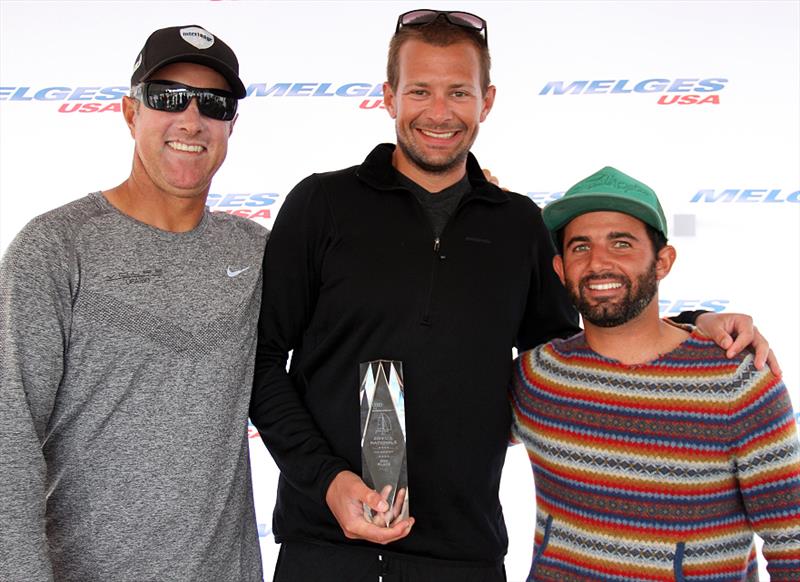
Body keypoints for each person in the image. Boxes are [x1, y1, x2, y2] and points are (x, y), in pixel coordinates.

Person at [250, 10, 776, 582]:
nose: (439, 112)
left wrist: (694, 322)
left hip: (465, 556)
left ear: (488, 100)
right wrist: (327, 481)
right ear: (388, 96)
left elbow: (585, 348)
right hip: (325, 549)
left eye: (459, 92)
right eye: (420, 91)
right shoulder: (320, 205)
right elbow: (260, 362)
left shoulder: (518, 225)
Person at [0, 25, 265, 581]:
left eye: (213, 105)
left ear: (230, 125)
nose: (191, 120)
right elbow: (9, 439)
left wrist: (457, 210)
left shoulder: (259, 253)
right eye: (168, 98)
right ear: (129, 112)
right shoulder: (55, 248)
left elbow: (364, 300)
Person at [511, 166, 800, 581]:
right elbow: (455, 438)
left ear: (662, 261)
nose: (598, 263)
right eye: (580, 248)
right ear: (559, 269)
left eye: (621, 244)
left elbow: (791, 544)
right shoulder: (537, 377)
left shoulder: (738, 381)